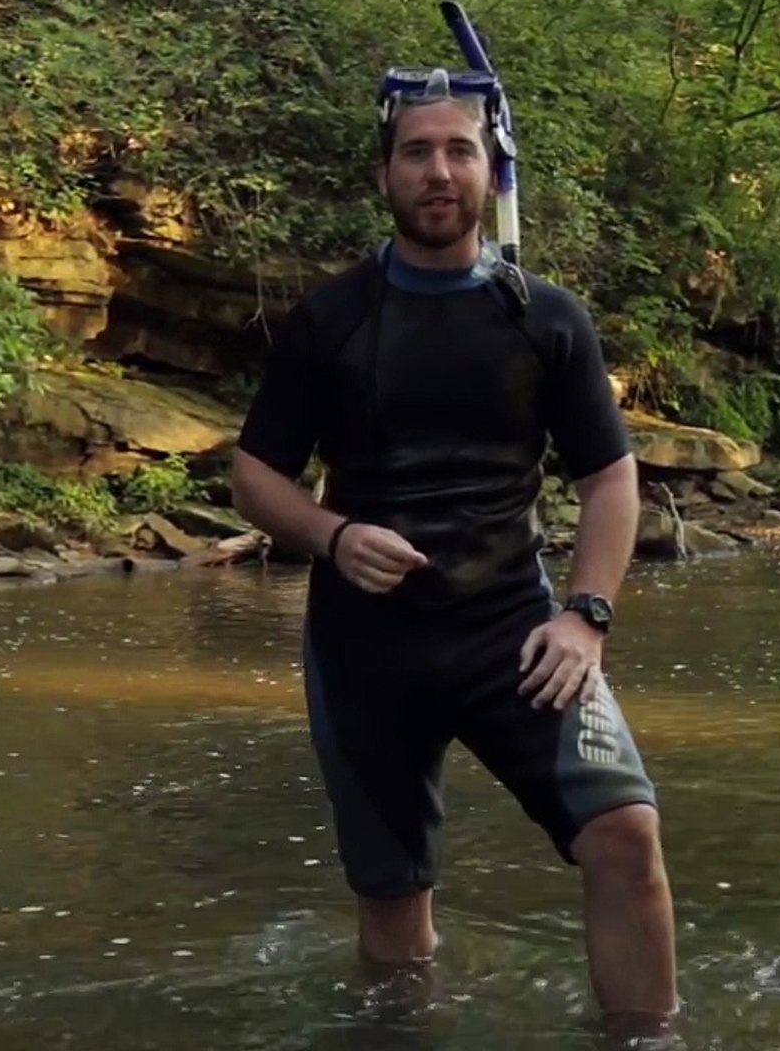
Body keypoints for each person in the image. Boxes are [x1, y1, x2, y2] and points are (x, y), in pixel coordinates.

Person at [226, 67, 681, 1039]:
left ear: (491, 170)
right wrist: (333, 534)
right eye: (418, 152)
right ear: (385, 172)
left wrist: (587, 616)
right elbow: (255, 475)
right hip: (365, 651)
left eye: (460, 150)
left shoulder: (544, 318)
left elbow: (612, 480)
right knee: (396, 909)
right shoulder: (331, 320)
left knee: (625, 834)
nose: (439, 171)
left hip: (516, 631)